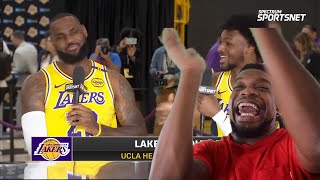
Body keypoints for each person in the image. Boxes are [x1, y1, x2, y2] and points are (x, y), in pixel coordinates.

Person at [149, 28, 320, 179]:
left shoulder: (293, 147)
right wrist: (189, 75)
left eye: (261, 87)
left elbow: (315, 147)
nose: (247, 91)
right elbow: (165, 176)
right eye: (238, 87)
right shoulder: (210, 152)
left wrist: (265, 31)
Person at [21, 13, 147, 156]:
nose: (69, 40)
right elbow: (36, 149)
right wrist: (86, 149)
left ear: (84, 31)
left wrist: (98, 129)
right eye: (60, 37)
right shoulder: (36, 84)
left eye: (73, 32)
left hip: (106, 173)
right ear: (53, 44)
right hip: (56, 173)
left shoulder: (114, 81)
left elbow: (139, 136)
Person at [156, 15, 266, 136]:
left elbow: (255, 144)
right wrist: (175, 116)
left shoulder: (270, 85)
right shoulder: (213, 81)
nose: (219, 48)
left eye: (228, 44)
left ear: (250, 47)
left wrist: (217, 114)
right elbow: (190, 118)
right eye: (221, 42)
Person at [150, 45, 180, 135]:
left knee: (175, 118)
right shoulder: (158, 52)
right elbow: (152, 68)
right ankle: (157, 142)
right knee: (160, 118)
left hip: (175, 88)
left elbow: (183, 70)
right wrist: (156, 72)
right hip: (161, 88)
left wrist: (174, 78)